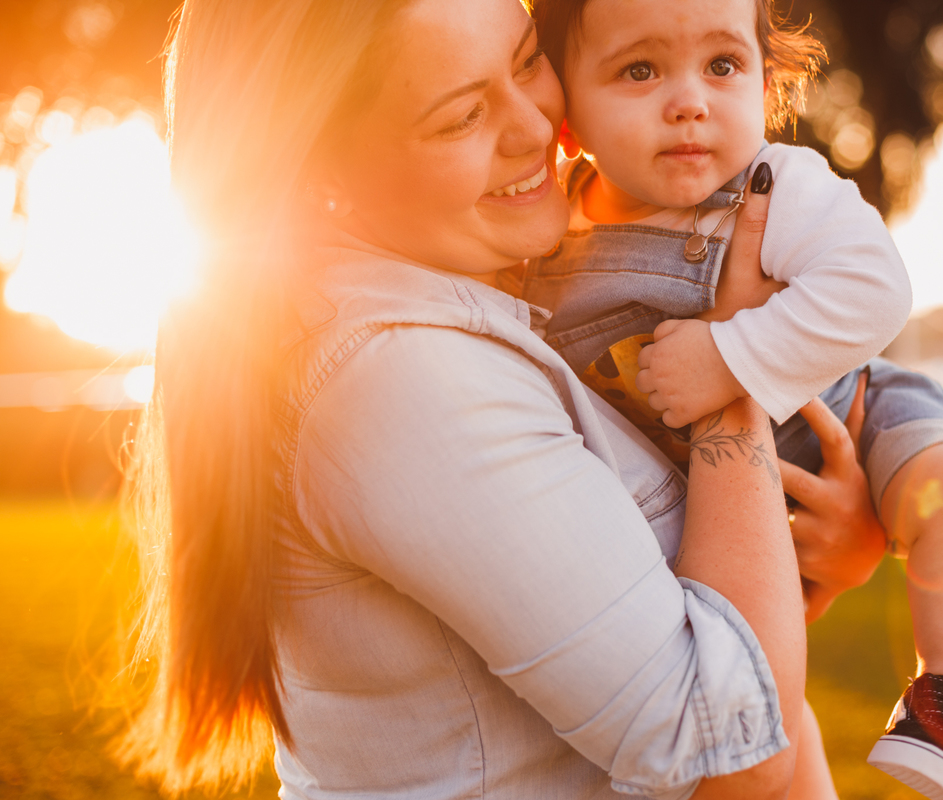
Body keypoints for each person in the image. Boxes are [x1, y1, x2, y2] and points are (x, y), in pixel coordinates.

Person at [115, 0, 883, 798]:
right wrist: (731, 362)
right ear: (325, 175)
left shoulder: (486, 308)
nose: (536, 127)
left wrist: (817, 556)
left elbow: (673, 640)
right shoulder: (403, 381)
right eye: (462, 118)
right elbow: (734, 757)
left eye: (524, 63)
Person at [521, 1, 943, 797]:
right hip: (718, 531)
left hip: (851, 417)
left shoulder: (778, 185)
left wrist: (732, 355)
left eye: (722, 67)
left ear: (766, 83)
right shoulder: (542, 238)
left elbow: (875, 289)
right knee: (771, 726)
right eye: (640, 70)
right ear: (564, 110)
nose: (689, 100)